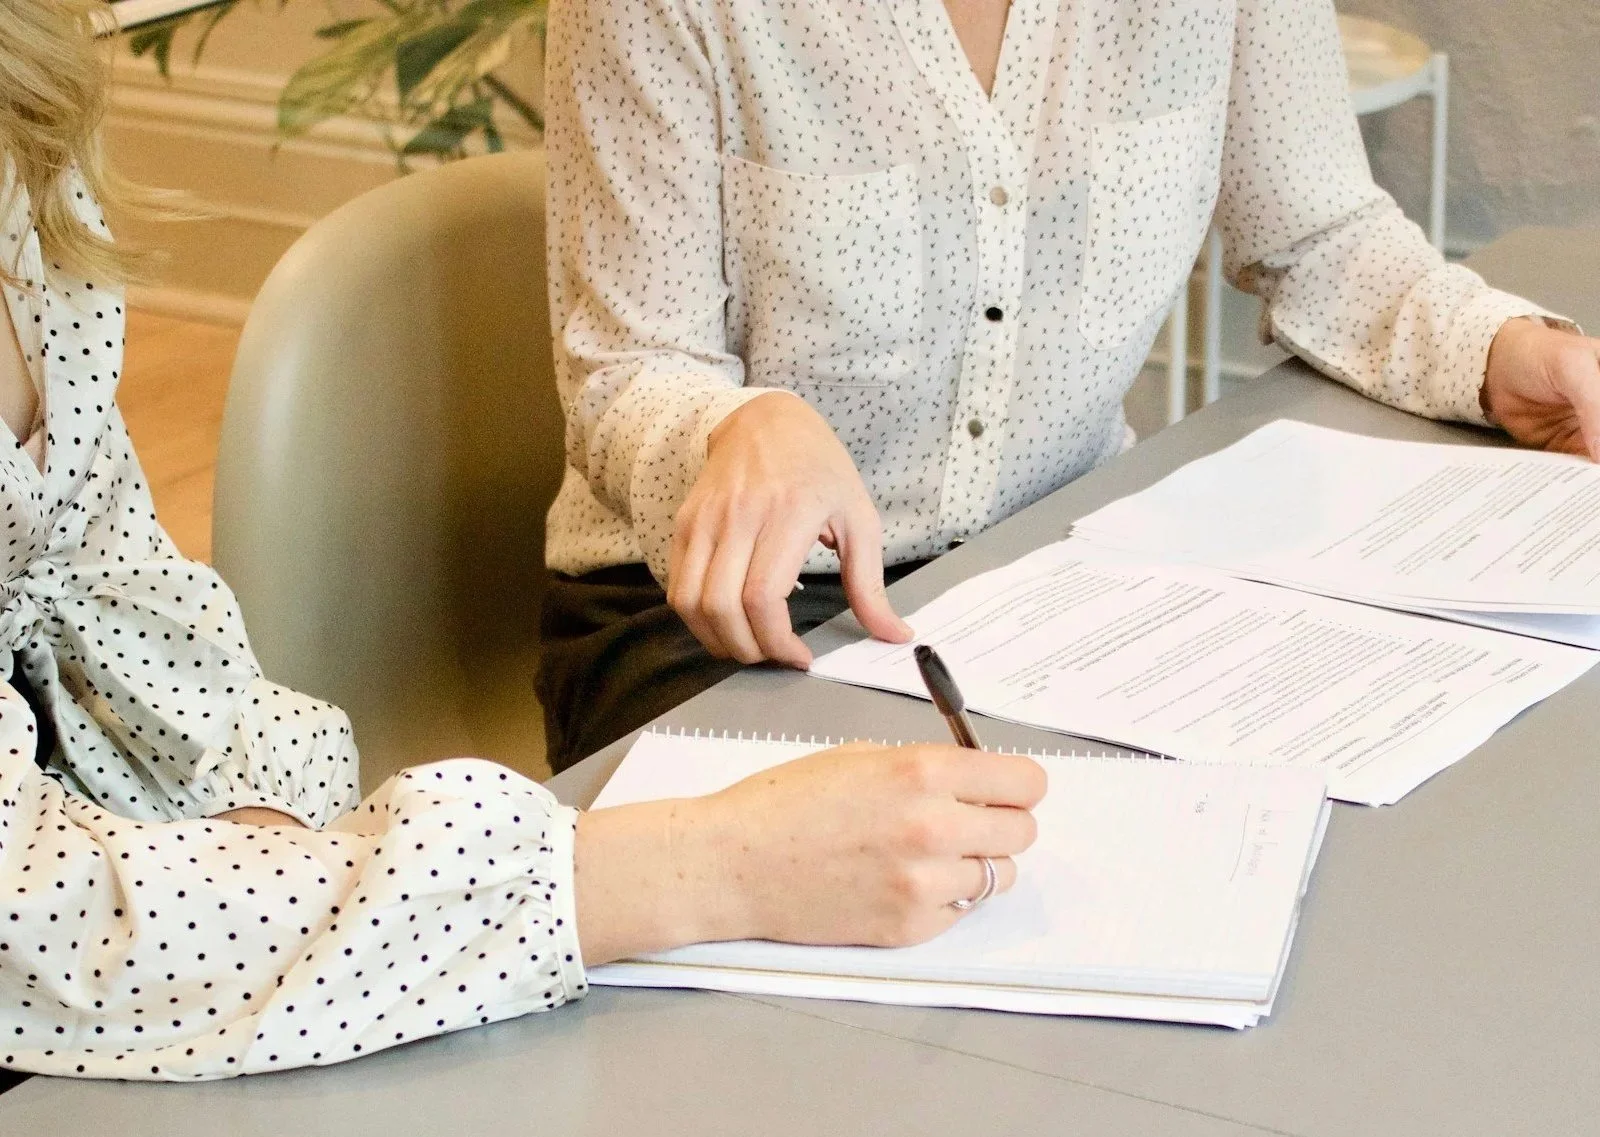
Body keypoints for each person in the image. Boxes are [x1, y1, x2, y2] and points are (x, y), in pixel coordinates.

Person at [0, 0, 1045, 1087]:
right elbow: (40, 925)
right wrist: (717, 865)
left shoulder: (31, 126)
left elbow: (118, 594)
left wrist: (263, 842)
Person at [538, 0, 1600, 772]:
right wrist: (738, 428)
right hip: (726, 615)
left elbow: (1317, 233)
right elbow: (627, 367)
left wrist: (1494, 347)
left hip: (1056, 577)